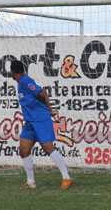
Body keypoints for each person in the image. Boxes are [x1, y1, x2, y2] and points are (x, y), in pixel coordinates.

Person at [10, 60, 73, 190]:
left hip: (40, 119)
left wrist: (49, 110)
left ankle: (67, 177)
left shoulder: (25, 81)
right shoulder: (21, 82)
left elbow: (43, 93)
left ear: (12, 72)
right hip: (30, 122)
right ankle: (31, 182)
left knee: (48, 148)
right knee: (23, 150)